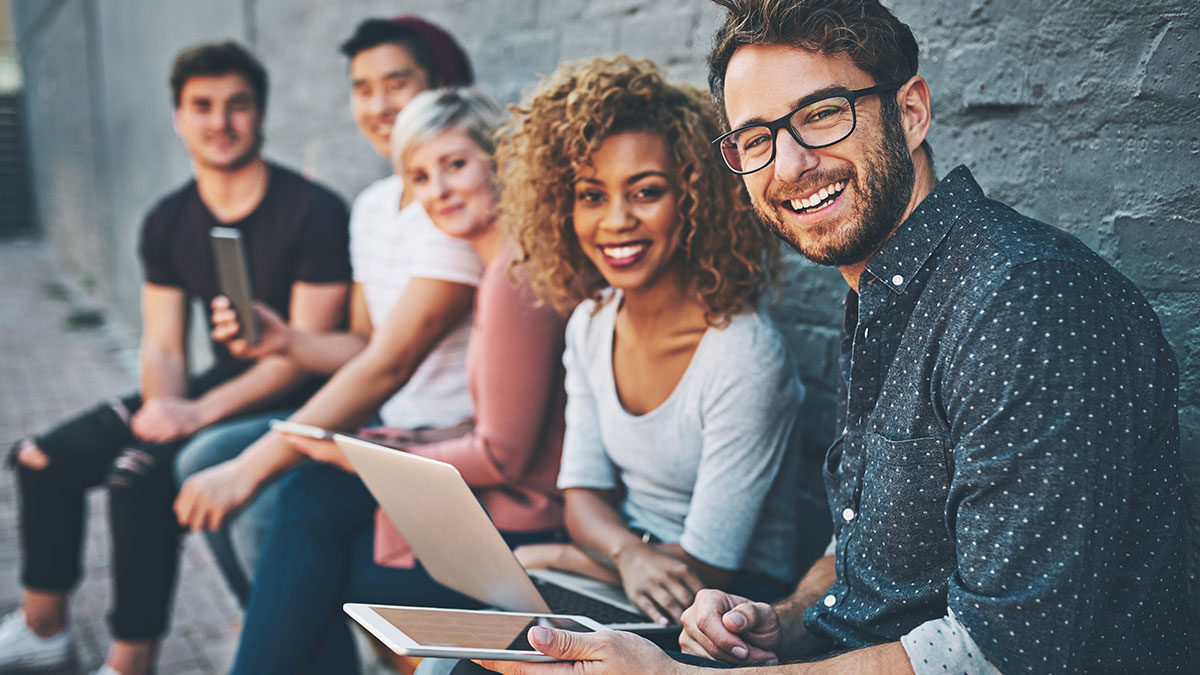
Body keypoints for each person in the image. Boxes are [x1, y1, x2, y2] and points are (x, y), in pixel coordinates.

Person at [479, 1, 1191, 674]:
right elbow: (866, 548)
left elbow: (999, 653)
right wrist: (781, 620)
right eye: (757, 138)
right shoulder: (888, 292)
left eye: (822, 113)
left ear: (910, 112)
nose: (789, 166)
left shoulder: (1026, 300)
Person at [0, 42, 352, 675]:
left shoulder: (314, 210)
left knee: (138, 476)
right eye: (203, 106)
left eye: (237, 105)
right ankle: (43, 630)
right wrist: (165, 403)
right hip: (215, 385)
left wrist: (195, 414)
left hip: (294, 391)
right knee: (39, 459)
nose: (220, 121)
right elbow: (164, 344)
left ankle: (129, 663)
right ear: (178, 117)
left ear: (262, 115)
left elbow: (301, 358)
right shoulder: (167, 220)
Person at [223, 86, 571, 675]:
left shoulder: (513, 279)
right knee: (312, 515)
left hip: (528, 520)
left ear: (501, 160)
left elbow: (503, 455)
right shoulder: (503, 267)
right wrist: (373, 446)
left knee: (326, 551)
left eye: (455, 165)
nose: (438, 191)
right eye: (421, 176)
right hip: (506, 503)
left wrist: (363, 455)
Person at [172, 16, 477, 602]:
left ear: (441, 87)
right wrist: (283, 339)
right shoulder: (372, 206)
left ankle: (287, 636)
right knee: (202, 457)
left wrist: (255, 465)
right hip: (379, 416)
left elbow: (388, 363)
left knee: (261, 503)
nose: (378, 106)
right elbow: (363, 344)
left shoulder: (453, 209)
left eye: (396, 83)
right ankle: (283, 631)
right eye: (362, 89)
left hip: (432, 437)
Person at [494, 56, 806, 628]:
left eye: (645, 192)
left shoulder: (743, 356)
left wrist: (557, 557)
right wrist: (627, 552)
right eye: (591, 195)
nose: (615, 220)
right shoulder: (591, 323)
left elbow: (710, 567)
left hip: (725, 606)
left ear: (695, 203)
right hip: (626, 572)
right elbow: (582, 497)